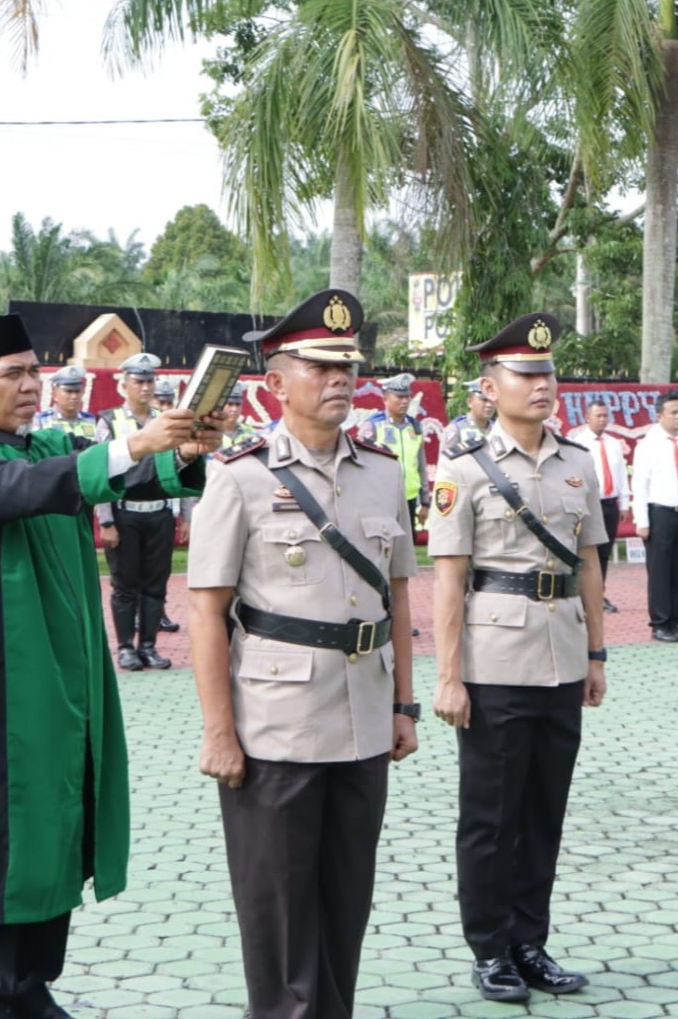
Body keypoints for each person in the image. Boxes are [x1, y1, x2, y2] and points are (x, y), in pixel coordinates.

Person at [0, 313, 211, 1018]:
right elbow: (39, 488)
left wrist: (186, 445)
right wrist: (129, 446)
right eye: (12, 375)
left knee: (61, 814)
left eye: (34, 371)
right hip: (7, 683)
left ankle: (30, 983)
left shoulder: (45, 444)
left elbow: (129, 470)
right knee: (2, 826)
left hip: (70, 675)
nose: (31, 385)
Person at [186, 288, 419, 1019]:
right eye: (319, 365)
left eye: (347, 365)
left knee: (346, 899)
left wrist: (404, 706)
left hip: (362, 718)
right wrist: (219, 732)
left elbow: (400, 598)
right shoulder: (239, 476)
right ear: (276, 383)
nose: (340, 378)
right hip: (275, 726)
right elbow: (206, 610)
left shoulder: (383, 470)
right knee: (280, 912)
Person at [429, 312, 607, 1004]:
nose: (542, 385)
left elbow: (589, 562)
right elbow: (448, 578)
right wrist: (448, 677)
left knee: (543, 810)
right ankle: (490, 947)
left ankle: (530, 941)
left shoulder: (578, 463)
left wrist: (596, 653)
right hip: (494, 661)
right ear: (490, 385)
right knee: (490, 816)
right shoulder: (463, 470)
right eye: (526, 375)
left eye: (548, 373)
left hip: (562, 655)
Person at [95, 353, 176, 670]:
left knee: (156, 584)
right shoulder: (109, 420)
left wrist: (182, 514)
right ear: (124, 385)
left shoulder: (164, 419)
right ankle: (126, 647)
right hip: (124, 514)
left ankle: (149, 646)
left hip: (159, 514)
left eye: (149, 381)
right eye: (139, 381)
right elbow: (100, 471)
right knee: (125, 584)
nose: (145, 387)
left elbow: (175, 469)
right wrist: (105, 519)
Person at [632, 392, 678, 642]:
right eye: (673, 412)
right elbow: (640, 483)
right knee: (661, 571)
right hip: (660, 512)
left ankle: (676, 620)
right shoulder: (649, 444)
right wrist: (642, 520)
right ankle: (660, 623)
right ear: (659, 416)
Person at [569, 401, 629, 613]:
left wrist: (624, 503)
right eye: (598, 416)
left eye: (605, 415)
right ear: (587, 417)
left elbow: (621, 475)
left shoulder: (614, 444)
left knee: (604, 552)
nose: (603, 419)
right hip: (588, 504)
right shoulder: (577, 443)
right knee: (586, 551)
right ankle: (580, 594)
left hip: (610, 504)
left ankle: (598, 593)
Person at [358, 372, 431, 539]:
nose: (405, 401)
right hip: (382, 499)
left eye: (407, 397)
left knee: (407, 549)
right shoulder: (373, 426)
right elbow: (362, 466)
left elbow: (421, 465)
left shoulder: (415, 426)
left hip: (410, 499)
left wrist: (425, 502)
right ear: (385, 398)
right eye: (399, 397)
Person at [152, 377, 183, 633]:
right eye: (160, 402)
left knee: (161, 568)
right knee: (130, 575)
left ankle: (158, 612)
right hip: (133, 508)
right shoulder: (144, 429)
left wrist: (184, 514)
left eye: (168, 401)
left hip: (165, 507)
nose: (165, 407)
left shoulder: (179, 431)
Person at [32, 364, 97, 438]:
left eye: (77, 391)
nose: (74, 396)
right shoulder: (42, 420)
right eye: (69, 391)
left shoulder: (90, 419)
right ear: (54, 395)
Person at [442, 378, 496, 448]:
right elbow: (445, 457)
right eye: (484, 399)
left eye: (491, 400)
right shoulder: (456, 429)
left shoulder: (498, 427)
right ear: (470, 402)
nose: (489, 405)